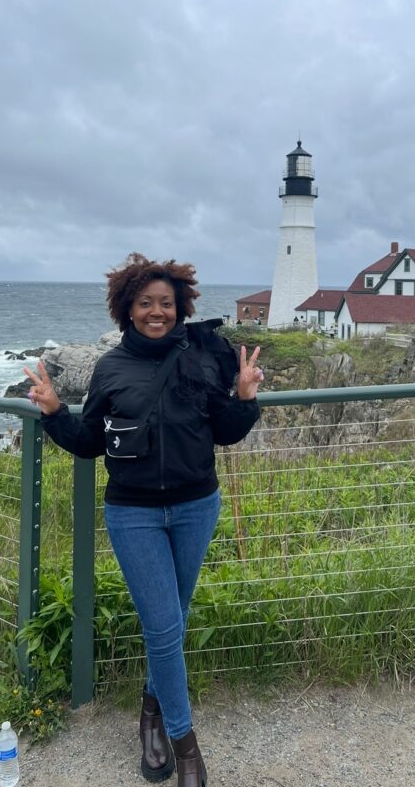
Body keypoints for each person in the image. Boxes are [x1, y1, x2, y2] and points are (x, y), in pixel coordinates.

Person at [24, 254, 263, 787]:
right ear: (127, 309)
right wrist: (54, 412)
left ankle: (150, 716)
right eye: (146, 304)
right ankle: (187, 746)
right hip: (133, 513)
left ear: (180, 308)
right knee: (163, 626)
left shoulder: (203, 358)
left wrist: (245, 398)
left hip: (197, 505)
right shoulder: (110, 368)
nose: (157, 312)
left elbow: (223, 431)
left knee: (169, 626)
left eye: (166, 304)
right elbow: (89, 443)